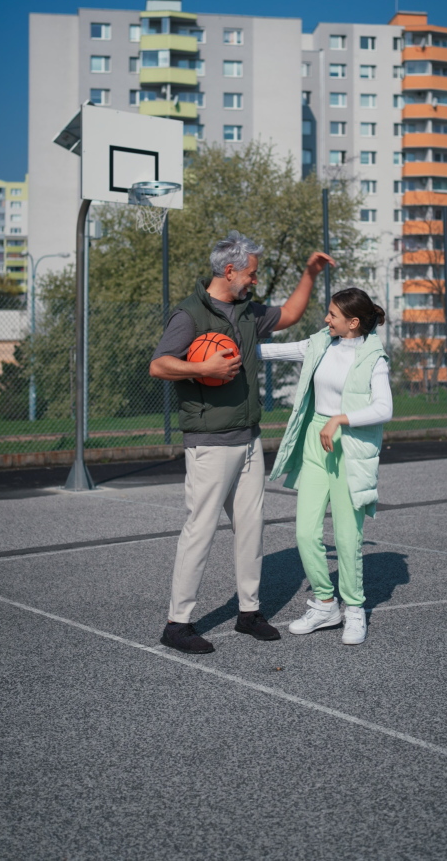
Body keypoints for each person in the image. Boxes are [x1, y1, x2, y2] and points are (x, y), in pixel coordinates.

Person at [149, 231, 334, 654]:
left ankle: (249, 612)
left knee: (252, 527)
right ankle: (178, 623)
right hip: (210, 441)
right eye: (250, 273)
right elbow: (159, 365)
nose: (254, 280)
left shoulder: (248, 311)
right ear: (229, 270)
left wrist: (309, 273)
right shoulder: (190, 314)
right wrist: (201, 366)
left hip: (249, 438)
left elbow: (288, 314)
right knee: (200, 530)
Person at [258, 287, 392, 646]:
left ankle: (354, 609)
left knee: (348, 539)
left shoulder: (373, 358)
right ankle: (324, 603)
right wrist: (229, 347)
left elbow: (384, 409)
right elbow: (272, 351)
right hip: (316, 442)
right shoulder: (321, 344)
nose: (325, 319)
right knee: (305, 532)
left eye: (332, 315)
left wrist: (340, 420)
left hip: (348, 446)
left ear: (353, 322)